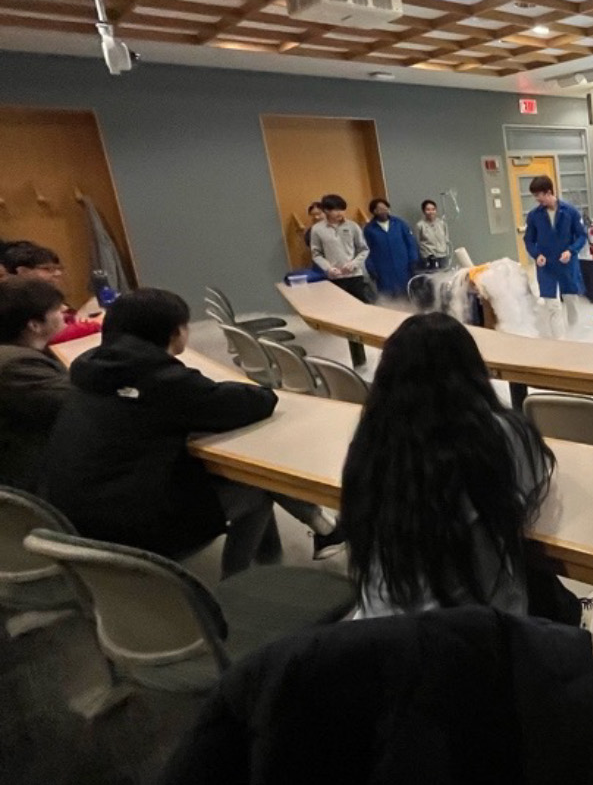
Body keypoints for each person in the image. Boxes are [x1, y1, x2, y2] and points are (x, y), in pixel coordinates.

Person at [42, 288, 344, 577]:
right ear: (176, 333)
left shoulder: (91, 371)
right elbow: (256, 402)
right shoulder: (161, 379)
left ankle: (319, 535)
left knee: (234, 468)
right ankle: (240, 580)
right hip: (134, 528)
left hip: (75, 519)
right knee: (257, 483)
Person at [340, 312, 593, 632]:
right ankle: (570, 617)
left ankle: (568, 611)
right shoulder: (499, 436)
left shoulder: (369, 443)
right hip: (473, 641)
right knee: (516, 556)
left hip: (377, 637)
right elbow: (534, 493)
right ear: (472, 370)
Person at [0, 278, 70, 491]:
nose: (65, 310)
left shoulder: (18, 354)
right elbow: (75, 402)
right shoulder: (15, 364)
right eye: (57, 309)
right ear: (34, 325)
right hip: (36, 477)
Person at [2, 242, 104, 345]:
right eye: (47, 269)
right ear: (22, 271)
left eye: (58, 269)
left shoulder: (40, 293)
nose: (57, 274)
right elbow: (53, 334)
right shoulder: (18, 299)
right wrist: (97, 324)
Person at [521, 176, 587, 328]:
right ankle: (559, 342)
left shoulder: (570, 212)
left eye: (539, 195)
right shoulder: (534, 216)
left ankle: (575, 337)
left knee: (571, 302)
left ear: (549, 192)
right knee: (553, 306)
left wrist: (571, 251)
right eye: (535, 196)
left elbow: (582, 236)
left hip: (567, 264)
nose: (537, 199)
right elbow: (529, 240)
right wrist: (537, 254)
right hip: (546, 267)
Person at [309, 194, 372, 303]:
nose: (340, 213)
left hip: (355, 275)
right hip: (335, 277)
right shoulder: (317, 229)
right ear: (326, 210)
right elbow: (316, 254)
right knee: (341, 308)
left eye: (342, 209)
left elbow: (364, 249)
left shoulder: (353, 226)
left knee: (363, 306)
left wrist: (354, 264)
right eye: (336, 210)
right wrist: (328, 268)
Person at [363, 198, 419, 298]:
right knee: (388, 297)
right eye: (380, 209)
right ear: (374, 211)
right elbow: (366, 250)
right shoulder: (369, 229)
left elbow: (410, 243)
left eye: (386, 208)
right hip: (383, 269)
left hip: (403, 266)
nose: (384, 211)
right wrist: (370, 268)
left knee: (406, 294)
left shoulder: (400, 223)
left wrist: (413, 260)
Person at [415, 199, 450, 271]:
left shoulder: (442, 223)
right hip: (429, 257)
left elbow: (446, 238)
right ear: (424, 211)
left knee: (445, 277)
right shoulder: (420, 225)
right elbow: (417, 242)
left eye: (433, 209)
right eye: (428, 209)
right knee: (432, 278)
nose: (431, 212)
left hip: (442, 255)